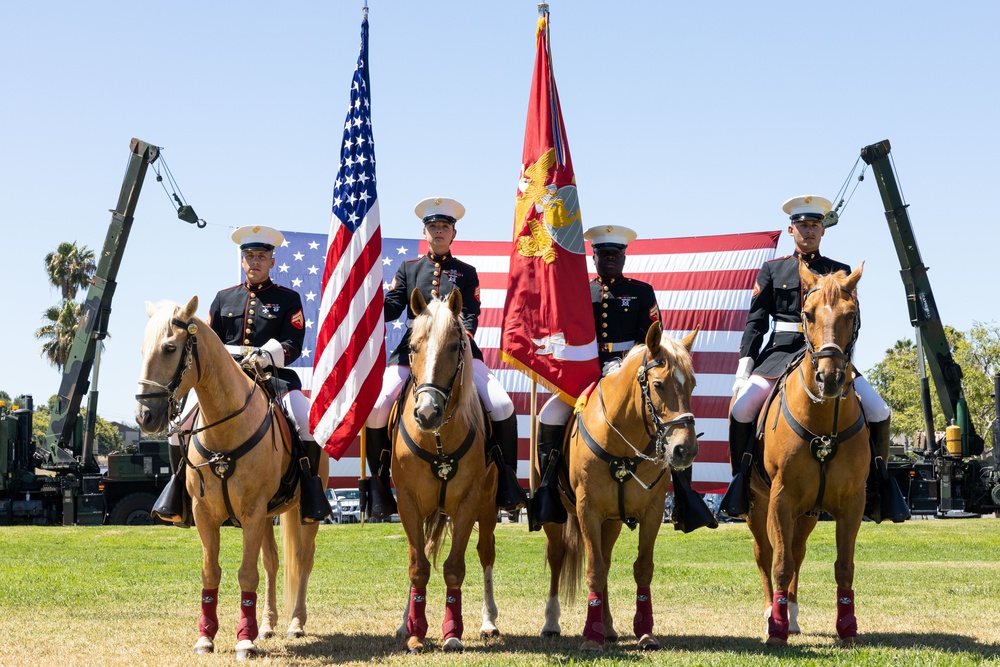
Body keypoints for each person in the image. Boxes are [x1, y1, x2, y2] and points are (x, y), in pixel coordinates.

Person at [154, 225, 329, 525]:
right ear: (242, 260)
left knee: (307, 421)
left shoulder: (288, 299)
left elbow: (294, 344)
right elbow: (209, 344)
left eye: (261, 256)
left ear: (272, 261)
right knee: (178, 426)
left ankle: (311, 493)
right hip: (226, 379)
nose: (255, 262)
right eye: (249, 256)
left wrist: (267, 355)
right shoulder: (224, 299)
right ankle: (179, 491)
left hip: (274, 378)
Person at [727, 195, 892, 512]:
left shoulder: (840, 271)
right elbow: (756, 323)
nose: (809, 231)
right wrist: (743, 371)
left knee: (879, 411)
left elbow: (851, 324)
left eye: (814, 225)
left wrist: (845, 362)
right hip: (779, 356)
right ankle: (741, 484)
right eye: (802, 225)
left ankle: (878, 489)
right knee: (742, 409)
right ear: (791, 230)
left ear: (823, 230)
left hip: (830, 358)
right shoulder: (773, 269)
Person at [364, 197, 522, 520]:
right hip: (414, 354)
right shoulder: (408, 269)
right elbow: (393, 307)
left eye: (444, 227)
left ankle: (507, 480)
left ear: (453, 233)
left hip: (457, 352)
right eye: (433, 226)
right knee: (378, 409)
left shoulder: (467, 273)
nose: (438, 231)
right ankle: (379, 483)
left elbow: (472, 313)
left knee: (502, 404)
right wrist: (368, 302)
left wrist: (460, 338)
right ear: (424, 232)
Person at [531, 225, 660, 526]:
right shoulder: (579, 291)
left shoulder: (641, 292)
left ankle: (683, 495)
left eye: (615, 254)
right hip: (585, 374)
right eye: (604, 254)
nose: (610, 258)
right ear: (594, 257)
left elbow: (652, 340)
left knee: (667, 417)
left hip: (628, 375)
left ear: (624, 256)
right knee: (548, 417)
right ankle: (548, 489)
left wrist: (625, 366)